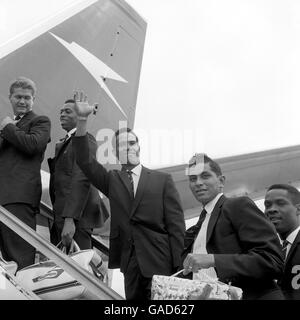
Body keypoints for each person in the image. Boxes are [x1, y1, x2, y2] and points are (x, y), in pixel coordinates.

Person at [71, 92, 185, 300]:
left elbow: (176, 226)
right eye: (122, 145)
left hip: (161, 262)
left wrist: (180, 267)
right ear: (115, 153)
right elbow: (84, 161)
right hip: (130, 266)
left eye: (131, 143)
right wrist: (82, 120)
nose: (128, 147)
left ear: (138, 146)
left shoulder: (162, 180)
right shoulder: (113, 180)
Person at [182, 153, 284, 300]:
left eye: (205, 176)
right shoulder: (197, 227)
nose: (198, 182)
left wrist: (214, 259)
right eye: (193, 178)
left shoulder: (237, 205)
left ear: (221, 181)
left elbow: (272, 260)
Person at [0, 77, 51, 269]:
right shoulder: (8, 127)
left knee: (19, 256)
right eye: (18, 97)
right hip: (3, 199)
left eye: (27, 98)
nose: (22, 101)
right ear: (10, 98)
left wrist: (8, 128)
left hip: (19, 199)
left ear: (33, 100)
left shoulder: (40, 121)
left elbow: (33, 145)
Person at [48, 99, 109, 250]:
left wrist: (70, 219)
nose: (62, 115)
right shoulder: (65, 142)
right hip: (61, 216)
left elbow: (81, 178)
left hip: (76, 220)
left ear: (79, 115)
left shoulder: (86, 140)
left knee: (77, 268)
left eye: (68, 111)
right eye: (61, 112)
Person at [264, 184, 300, 299]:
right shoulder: (274, 250)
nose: (271, 209)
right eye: (267, 205)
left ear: (298, 209)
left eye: (281, 203)